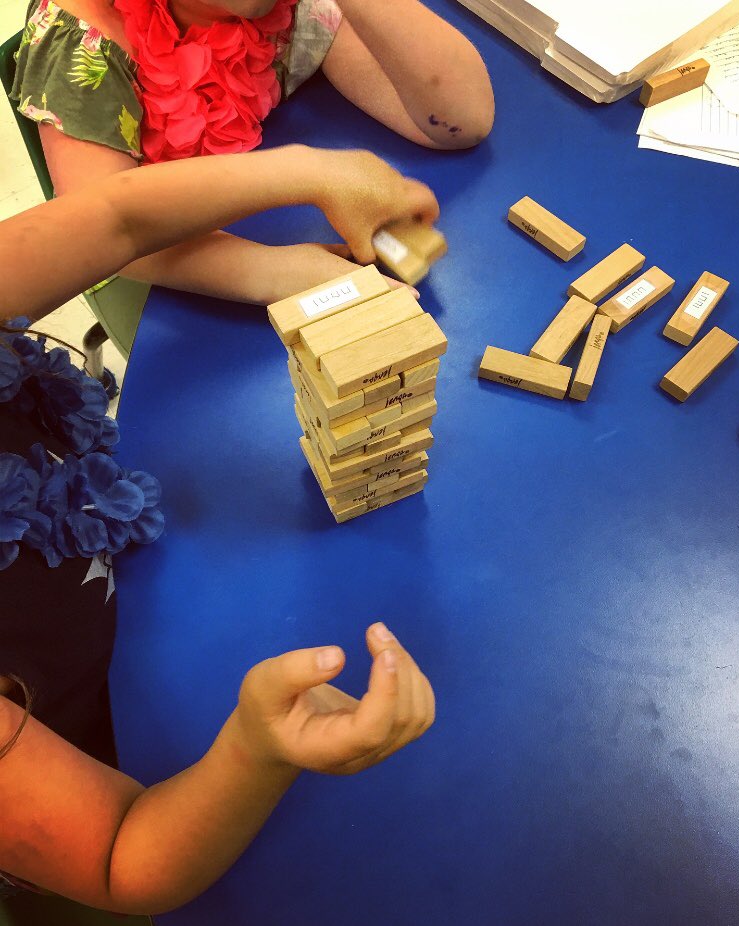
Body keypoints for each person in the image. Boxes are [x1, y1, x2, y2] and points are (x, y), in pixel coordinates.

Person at [0, 146, 436, 912]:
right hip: (86, 766)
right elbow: (118, 856)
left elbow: (117, 215)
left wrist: (314, 171)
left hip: (133, 584)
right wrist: (257, 750)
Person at [10, 0, 494, 305]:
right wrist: (279, 272)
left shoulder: (283, 8)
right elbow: (102, 235)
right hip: (158, 281)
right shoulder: (81, 40)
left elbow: (462, 120)